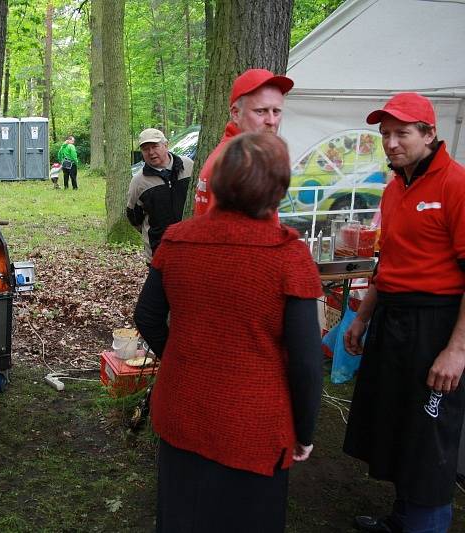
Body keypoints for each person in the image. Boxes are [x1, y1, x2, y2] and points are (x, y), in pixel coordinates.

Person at [134, 132, 323, 532]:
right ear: (277, 186)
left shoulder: (178, 239)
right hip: (254, 424)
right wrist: (304, 431)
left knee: (182, 516)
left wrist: (182, 356)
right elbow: (307, 361)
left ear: (218, 181)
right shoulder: (288, 255)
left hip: (182, 407)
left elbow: (148, 318)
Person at [342, 93, 465, 533]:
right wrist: (361, 318)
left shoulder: (456, 184)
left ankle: (425, 524)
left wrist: (457, 350)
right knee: (397, 425)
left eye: (402, 133)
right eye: (385, 135)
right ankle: (403, 519)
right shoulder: (396, 188)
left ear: (430, 134)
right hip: (393, 318)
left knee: (429, 437)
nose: (391, 143)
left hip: (438, 324)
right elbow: (387, 263)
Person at [194, 68, 293, 216]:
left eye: (276, 111)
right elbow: (226, 234)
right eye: (261, 111)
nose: (271, 121)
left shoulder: (233, 155)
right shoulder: (237, 164)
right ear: (236, 114)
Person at [126, 128, 194, 263]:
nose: (151, 152)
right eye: (145, 149)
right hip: (158, 253)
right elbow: (134, 217)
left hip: (190, 247)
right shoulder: (139, 182)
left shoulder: (188, 166)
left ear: (166, 145)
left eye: (155, 146)